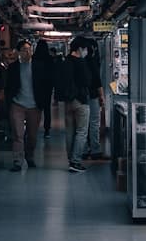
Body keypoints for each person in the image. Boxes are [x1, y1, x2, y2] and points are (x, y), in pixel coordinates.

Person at [0, 39, 52, 172]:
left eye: (29, 49)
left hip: (34, 105)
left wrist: (44, 103)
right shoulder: (13, 68)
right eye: (24, 50)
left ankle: (30, 156)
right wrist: (9, 103)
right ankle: (18, 160)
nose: (27, 52)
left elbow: (46, 86)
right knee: (18, 134)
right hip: (17, 104)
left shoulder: (39, 66)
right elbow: (9, 87)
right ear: (18, 52)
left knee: (32, 135)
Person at [53, 37, 93, 173]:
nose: (86, 51)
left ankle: (71, 159)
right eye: (85, 49)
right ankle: (76, 161)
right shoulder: (80, 63)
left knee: (70, 131)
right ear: (80, 49)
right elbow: (87, 81)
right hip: (81, 101)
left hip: (68, 101)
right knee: (81, 131)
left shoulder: (64, 62)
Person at [83, 38, 108, 160]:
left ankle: (83, 149)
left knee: (83, 124)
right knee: (94, 123)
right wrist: (102, 96)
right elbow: (97, 81)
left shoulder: (80, 61)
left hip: (81, 97)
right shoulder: (93, 62)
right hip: (93, 96)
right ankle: (95, 149)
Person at [35, 40, 55, 138]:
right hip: (47, 87)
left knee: (36, 108)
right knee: (47, 109)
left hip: (36, 87)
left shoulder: (34, 58)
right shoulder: (49, 59)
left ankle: (33, 127)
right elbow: (52, 74)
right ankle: (47, 130)